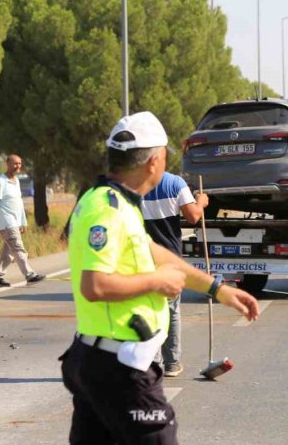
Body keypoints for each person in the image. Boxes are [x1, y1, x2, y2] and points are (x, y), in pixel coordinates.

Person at [61, 111, 260, 444]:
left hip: (98, 359)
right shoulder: (107, 209)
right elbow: (94, 285)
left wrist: (216, 288)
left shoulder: (117, 204)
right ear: (154, 161)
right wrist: (157, 282)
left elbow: (155, 253)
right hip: (119, 368)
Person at [142, 172, 209, 377]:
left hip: (143, 258)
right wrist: (201, 201)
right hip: (170, 258)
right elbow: (193, 216)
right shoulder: (174, 183)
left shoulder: (134, 185)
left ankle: (151, 361)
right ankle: (171, 363)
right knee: (171, 310)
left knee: (148, 310)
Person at [0, 154, 45, 287]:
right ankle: (29, 274)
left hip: (15, 222)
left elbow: (19, 203)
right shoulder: (0, 182)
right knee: (19, 248)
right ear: (7, 164)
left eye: (19, 163)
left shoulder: (16, 181)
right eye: (15, 163)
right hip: (6, 223)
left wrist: (23, 221)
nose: (18, 166)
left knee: (8, 253)